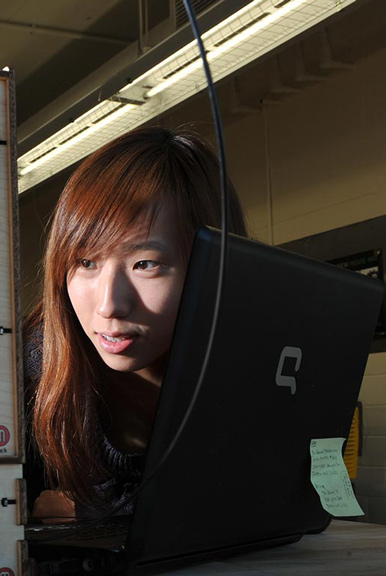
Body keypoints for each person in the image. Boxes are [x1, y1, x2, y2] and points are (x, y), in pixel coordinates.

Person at [24, 126, 248, 522]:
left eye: (145, 264)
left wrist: (102, 511)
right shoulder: (32, 370)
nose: (110, 305)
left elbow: (282, 501)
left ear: (213, 266)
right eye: (86, 262)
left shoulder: (256, 362)